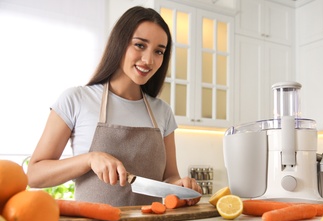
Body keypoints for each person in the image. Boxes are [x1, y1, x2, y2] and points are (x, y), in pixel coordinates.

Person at [27, 6, 202, 206]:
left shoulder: (162, 111)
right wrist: (89, 159)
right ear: (119, 43)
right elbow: (34, 174)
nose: (148, 60)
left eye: (159, 51)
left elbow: (170, 177)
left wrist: (181, 185)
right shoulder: (76, 99)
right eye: (139, 45)